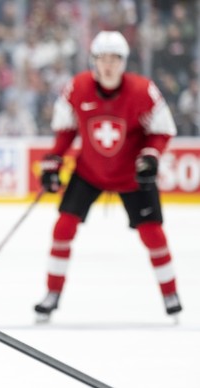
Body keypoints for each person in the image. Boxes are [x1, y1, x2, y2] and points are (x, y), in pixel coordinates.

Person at [34, 31, 182, 322]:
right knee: (63, 228)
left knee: (153, 234)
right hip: (89, 171)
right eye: (102, 58)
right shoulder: (77, 88)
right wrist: (54, 161)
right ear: (94, 61)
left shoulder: (143, 91)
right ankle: (52, 294)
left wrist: (150, 156)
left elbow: (162, 131)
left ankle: (170, 292)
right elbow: (66, 132)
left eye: (115, 58)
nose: (108, 65)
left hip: (132, 176)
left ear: (124, 61)